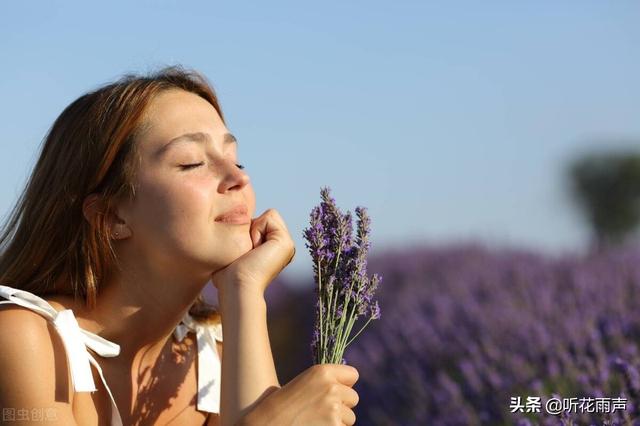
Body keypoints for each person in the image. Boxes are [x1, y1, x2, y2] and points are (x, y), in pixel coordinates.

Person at [0, 65, 360, 425]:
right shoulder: (27, 341)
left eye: (236, 159)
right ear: (112, 217)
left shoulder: (210, 354)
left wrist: (243, 289)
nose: (239, 177)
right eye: (193, 163)